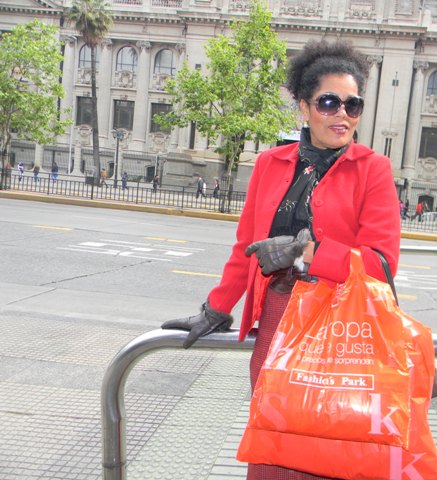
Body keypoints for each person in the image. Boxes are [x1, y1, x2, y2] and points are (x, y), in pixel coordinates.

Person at [161, 39, 401, 480]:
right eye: (329, 102)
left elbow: (380, 265)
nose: (342, 114)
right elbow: (245, 248)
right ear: (304, 107)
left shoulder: (374, 169)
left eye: (353, 104)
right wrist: (216, 308)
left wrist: (305, 253)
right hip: (276, 322)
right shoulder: (270, 163)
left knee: (331, 448)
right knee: (273, 450)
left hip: (340, 329)